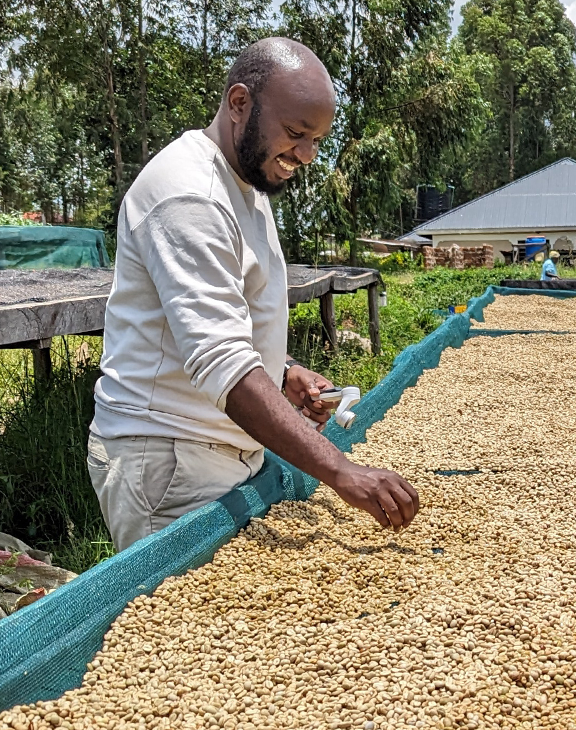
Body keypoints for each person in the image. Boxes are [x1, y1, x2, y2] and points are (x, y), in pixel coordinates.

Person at [88, 37, 419, 551]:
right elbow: (220, 361)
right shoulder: (190, 195)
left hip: (216, 451)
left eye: (316, 140)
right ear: (239, 104)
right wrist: (342, 471)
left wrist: (282, 369)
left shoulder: (247, 185)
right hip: (169, 459)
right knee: (182, 626)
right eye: (295, 133)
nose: (306, 155)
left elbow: (227, 314)